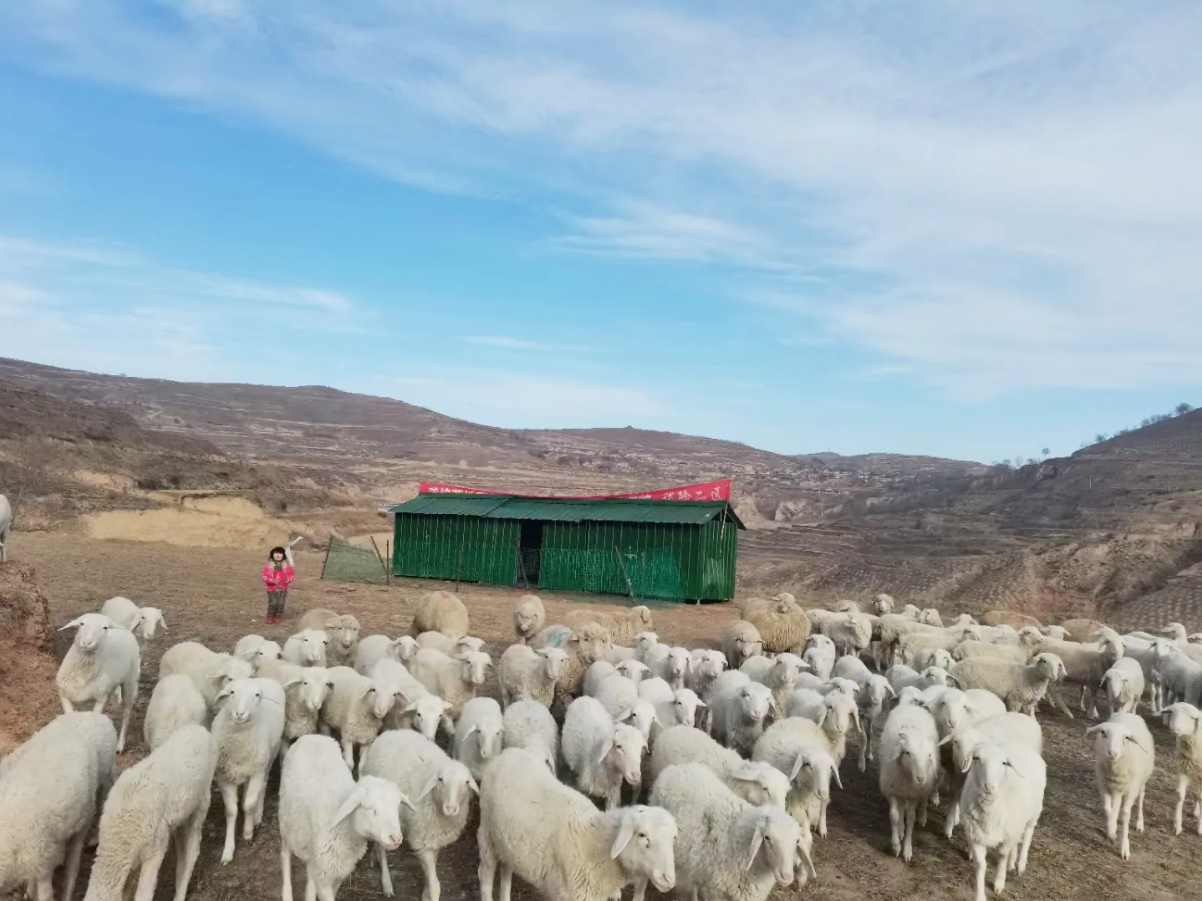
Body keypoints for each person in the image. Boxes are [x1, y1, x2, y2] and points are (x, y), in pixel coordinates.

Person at [262, 537, 303, 624]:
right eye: (276, 553)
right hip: (272, 589)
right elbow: (265, 576)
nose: (278, 555)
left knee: (280, 603)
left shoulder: (287, 566)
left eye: (280, 554)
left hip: (283, 589)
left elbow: (292, 576)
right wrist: (271, 581)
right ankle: (269, 617)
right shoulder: (269, 566)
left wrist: (288, 579)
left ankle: (278, 617)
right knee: (273, 603)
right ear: (272, 555)